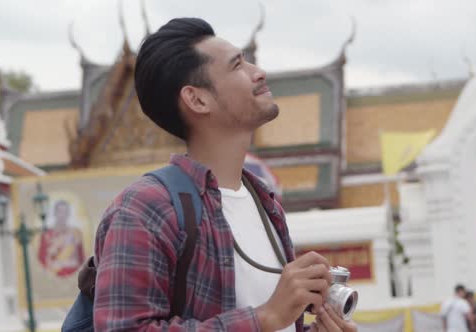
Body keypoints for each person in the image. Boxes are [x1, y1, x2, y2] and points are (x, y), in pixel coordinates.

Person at [92, 17, 357, 332]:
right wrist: (265, 317)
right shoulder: (146, 207)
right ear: (197, 99)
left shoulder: (266, 205)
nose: (258, 72)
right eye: (237, 66)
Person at [38, 200, 85, 277]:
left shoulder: (76, 233)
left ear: (68, 214)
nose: (63, 215)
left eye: (65, 212)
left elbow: (81, 259)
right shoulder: (46, 234)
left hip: (74, 275)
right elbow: (42, 260)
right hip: (52, 276)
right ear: (55, 213)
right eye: (60, 211)